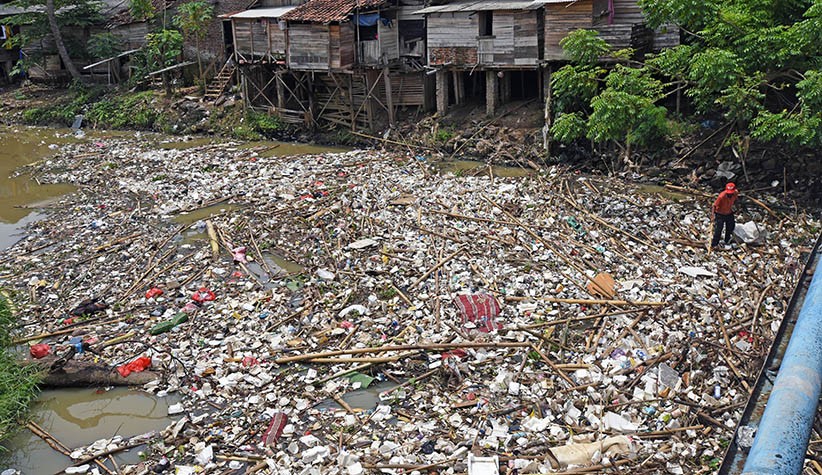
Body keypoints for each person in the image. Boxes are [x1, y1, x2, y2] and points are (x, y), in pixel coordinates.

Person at [711, 182, 739, 248]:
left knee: (730, 226)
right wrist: (712, 216)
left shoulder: (735, 193)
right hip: (720, 214)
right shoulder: (721, 196)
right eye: (728, 193)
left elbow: (736, 200)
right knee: (719, 229)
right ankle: (714, 244)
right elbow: (714, 206)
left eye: (731, 193)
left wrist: (737, 208)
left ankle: (727, 240)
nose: (730, 195)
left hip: (729, 212)